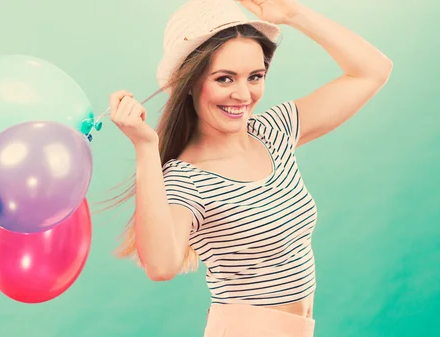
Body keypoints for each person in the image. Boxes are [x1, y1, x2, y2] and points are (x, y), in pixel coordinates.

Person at [105, 0, 392, 336]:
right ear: (190, 83)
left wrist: (294, 15)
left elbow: (373, 71)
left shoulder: (275, 131)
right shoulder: (187, 178)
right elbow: (161, 266)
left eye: (255, 76)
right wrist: (145, 147)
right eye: (225, 79)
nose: (243, 94)